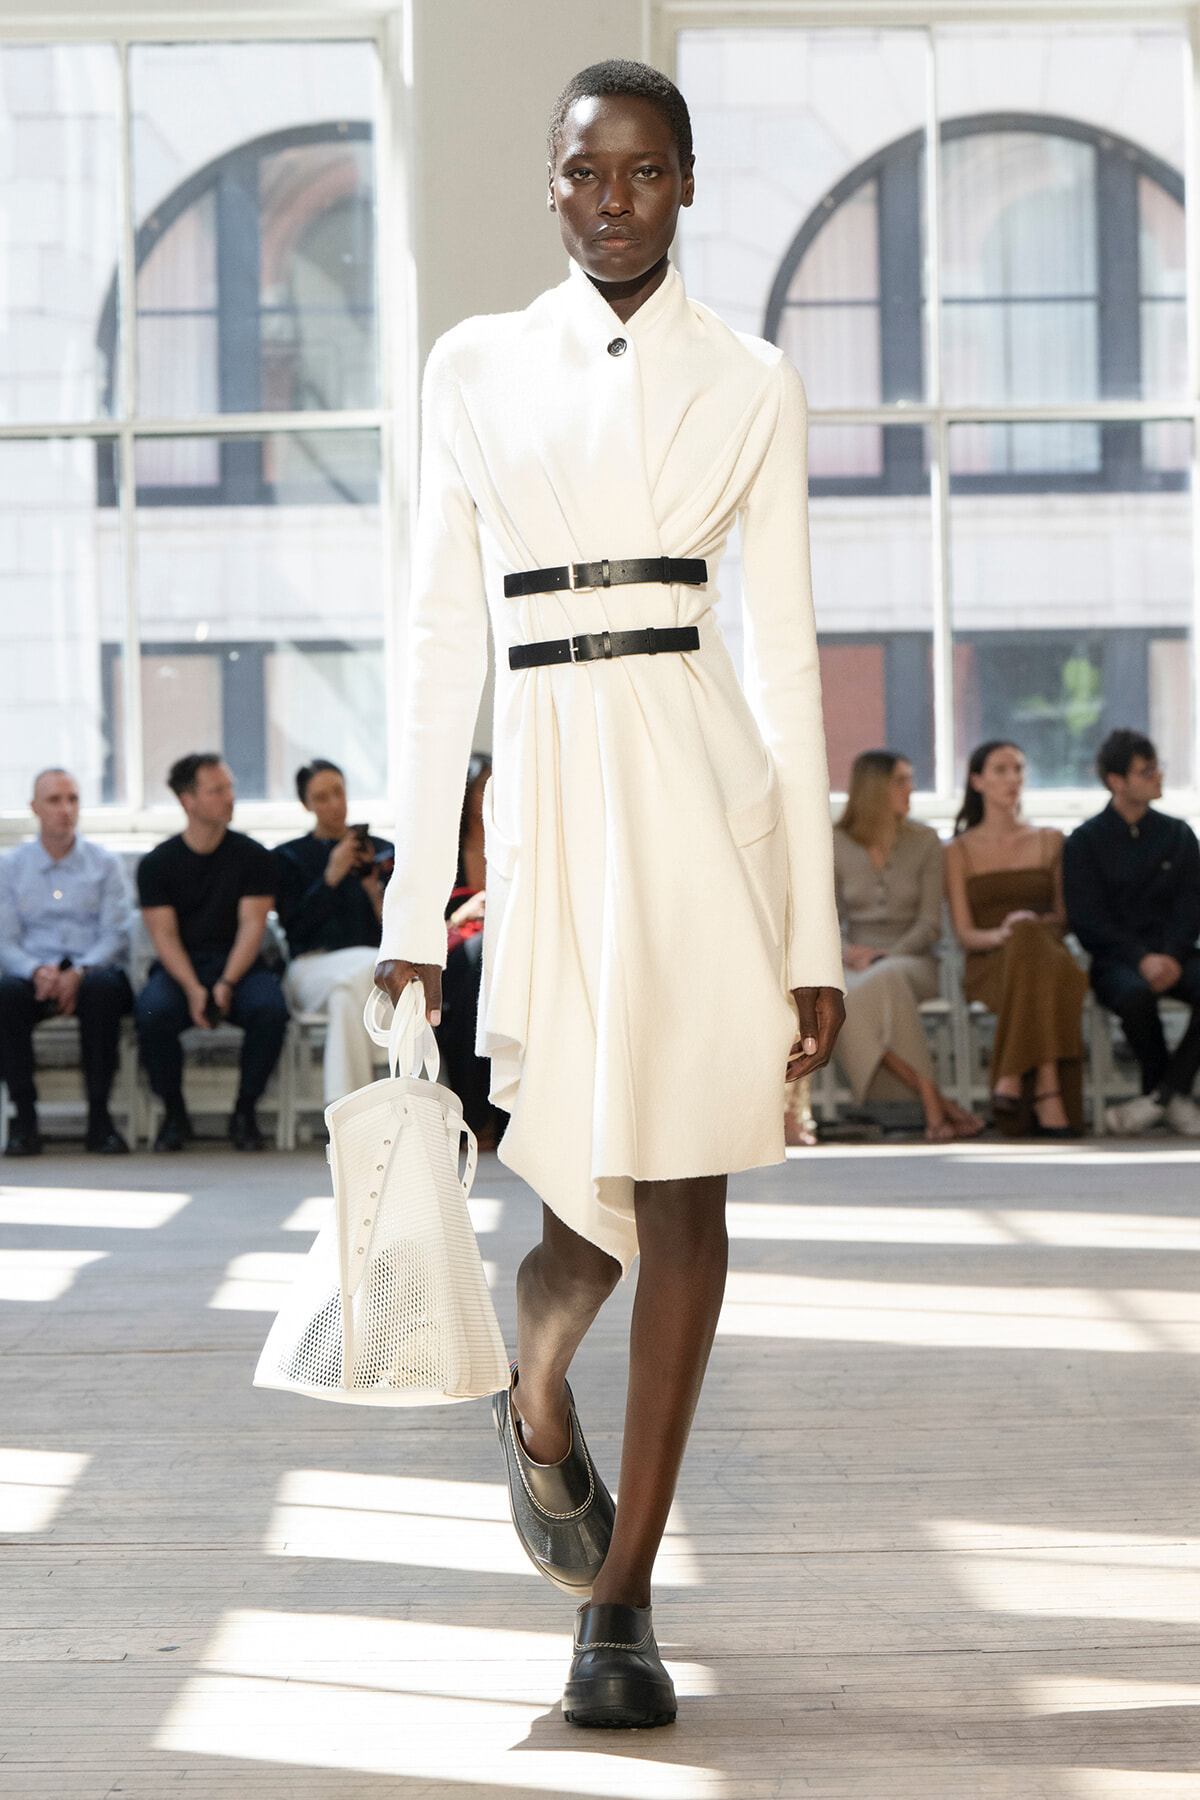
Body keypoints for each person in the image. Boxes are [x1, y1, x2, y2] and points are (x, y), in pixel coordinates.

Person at [372, 61, 844, 1730]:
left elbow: (782, 659)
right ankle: (540, 1372)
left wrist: (809, 931)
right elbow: (438, 646)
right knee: (584, 1210)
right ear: (554, 185)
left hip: (701, 789)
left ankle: (619, 1597)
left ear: (689, 184)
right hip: (557, 799)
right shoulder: (475, 367)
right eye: (587, 171)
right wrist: (415, 909)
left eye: (645, 172)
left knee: (692, 1187)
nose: (614, 198)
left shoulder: (754, 378)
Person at [135, 754, 288, 1152]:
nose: (229, 797)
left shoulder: (255, 857)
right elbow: (164, 937)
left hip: (238, 964)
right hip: (180, 967)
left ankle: (245, 1111)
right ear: (188, 801)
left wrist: (226, 983)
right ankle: (173, 1113)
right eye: (217, 790)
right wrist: (193, 989)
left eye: (230, 787)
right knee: (151, 1014)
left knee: (270, 1010)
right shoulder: (157, 864)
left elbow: (252, 927)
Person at [834, 750, 983, 1141]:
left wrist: (888, 954)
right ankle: (938, 1104)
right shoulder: (833, 841)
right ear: (874, 788)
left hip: (912, 959)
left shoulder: (925, 840)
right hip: (853, 960)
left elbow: (931, 923)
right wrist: (848, 951)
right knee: (843, 997)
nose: (910, 788)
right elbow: (824, 917)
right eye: (901, 780)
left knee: (883, 979)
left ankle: (935, 1108)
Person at [945, 740, 1088, 1136]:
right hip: (992, 962)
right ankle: (1047, 1087)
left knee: (1033, 940)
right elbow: (965, 934)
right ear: (977, 780)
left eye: (1019, 769)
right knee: (1026, 945)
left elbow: (1062, 917)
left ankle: (1012, 1073)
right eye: (1001, 770)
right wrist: (1004, 933)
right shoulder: (958, 850)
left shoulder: (1050, 839)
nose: (1013, 778)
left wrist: (1027, 926)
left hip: (1049, 953)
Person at [1063, 729, 1200, 1137]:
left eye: (1157, 768)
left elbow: (1192, 905)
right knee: (1135, 996)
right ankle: (1172, 1099)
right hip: (1118, 960)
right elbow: (1088, 919)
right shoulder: (1085, 842)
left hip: (1176, 953)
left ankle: (1159, 1098)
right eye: (1146, 771)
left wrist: (1173, 953)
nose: (1157, 777)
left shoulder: (1178, 835)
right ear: (1116, 782)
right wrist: (1140, 957)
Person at [0, 768, 134, 1156]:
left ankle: (100, 1119)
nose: (65, 809)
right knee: (5, 994)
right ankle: (24, 1121)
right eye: (55, 800)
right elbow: (5, 941)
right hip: (32, 973)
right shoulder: (10, 867)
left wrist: (79, 972)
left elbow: (117, 934)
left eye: (73, 799)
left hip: (90, 971)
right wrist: (36, 972)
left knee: (104, 989)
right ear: (35, 808)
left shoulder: (104, 864)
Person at [274, 760, 393, 1107]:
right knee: (359, 974)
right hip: (313, 966)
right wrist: (331, 876)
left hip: (367, 972)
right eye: (322, 797)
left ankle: (347, 1107)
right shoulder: (287, 857)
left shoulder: (383, 851)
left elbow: (395, 928)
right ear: (306, 804)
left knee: (345, 992)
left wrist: (373, 889)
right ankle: (390, 1093)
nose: (334, 804)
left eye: (338, 792)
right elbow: (296, 927)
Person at [437, 753, 502, 1148]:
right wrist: (463, 914)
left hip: (501, 949)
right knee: (475, 968)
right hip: (455, 954)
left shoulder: (518, 845)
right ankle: (476, 1114)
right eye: (486, 787)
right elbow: (422, 926)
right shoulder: (443, 852)